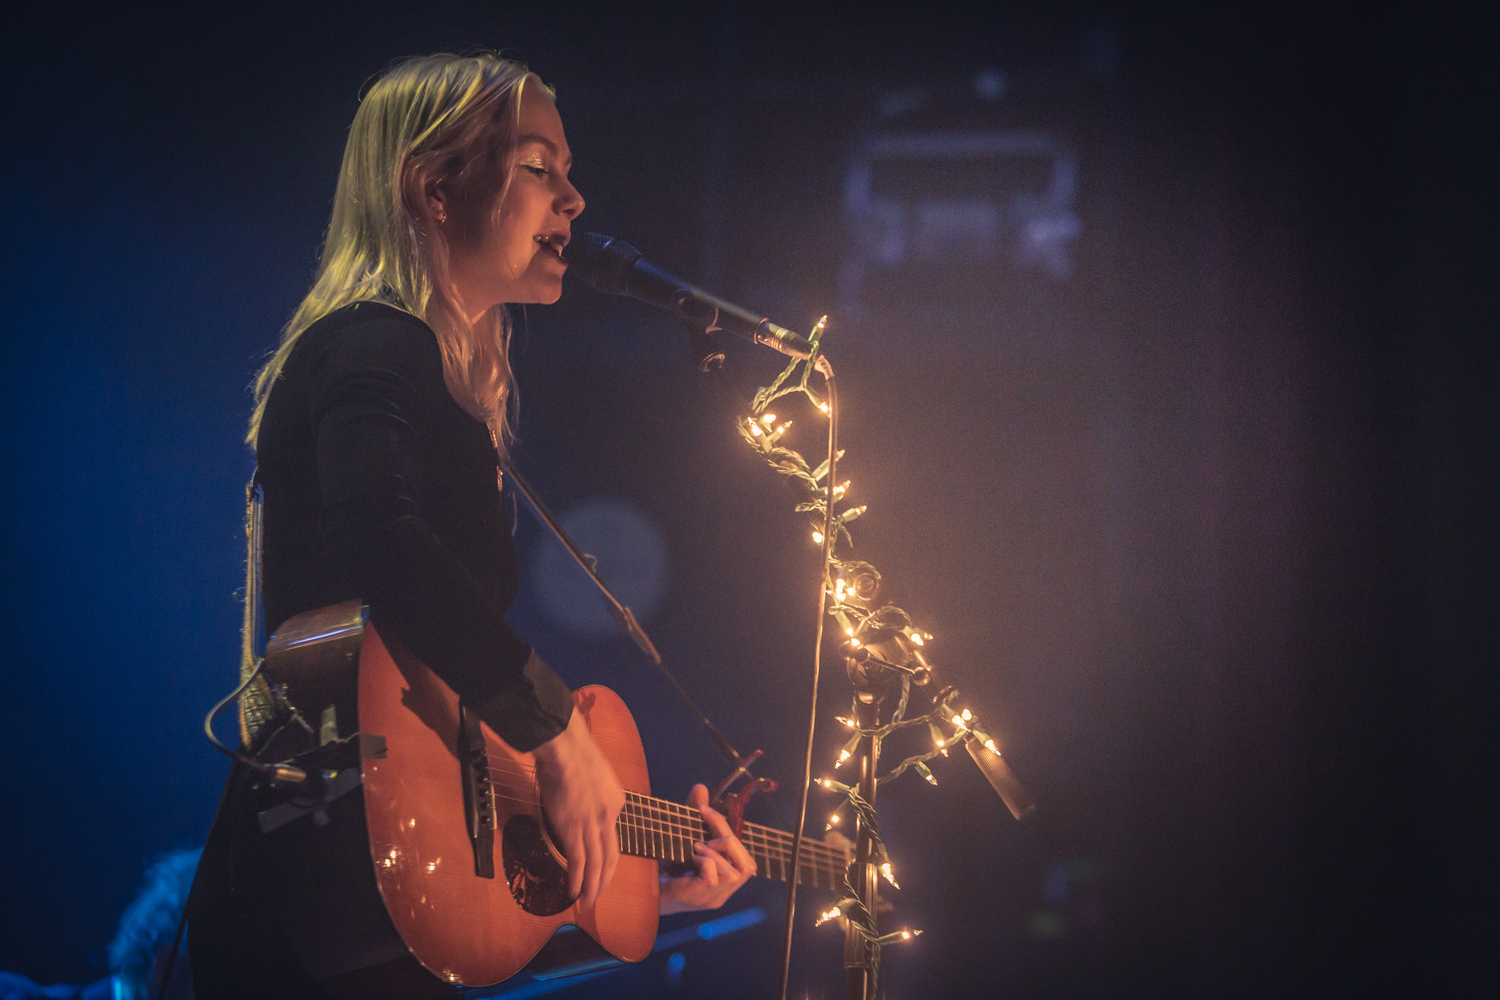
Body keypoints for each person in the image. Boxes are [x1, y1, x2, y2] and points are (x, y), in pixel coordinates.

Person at [188, 53, 755, 998]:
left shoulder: (441, 383)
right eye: (540, 167)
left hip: (354, 917)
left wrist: (656, 893)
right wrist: (558, 737)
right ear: (433, 188)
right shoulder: (372, 339)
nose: (574, 200)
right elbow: (377, 535)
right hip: (309, 902)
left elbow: (460, 920)